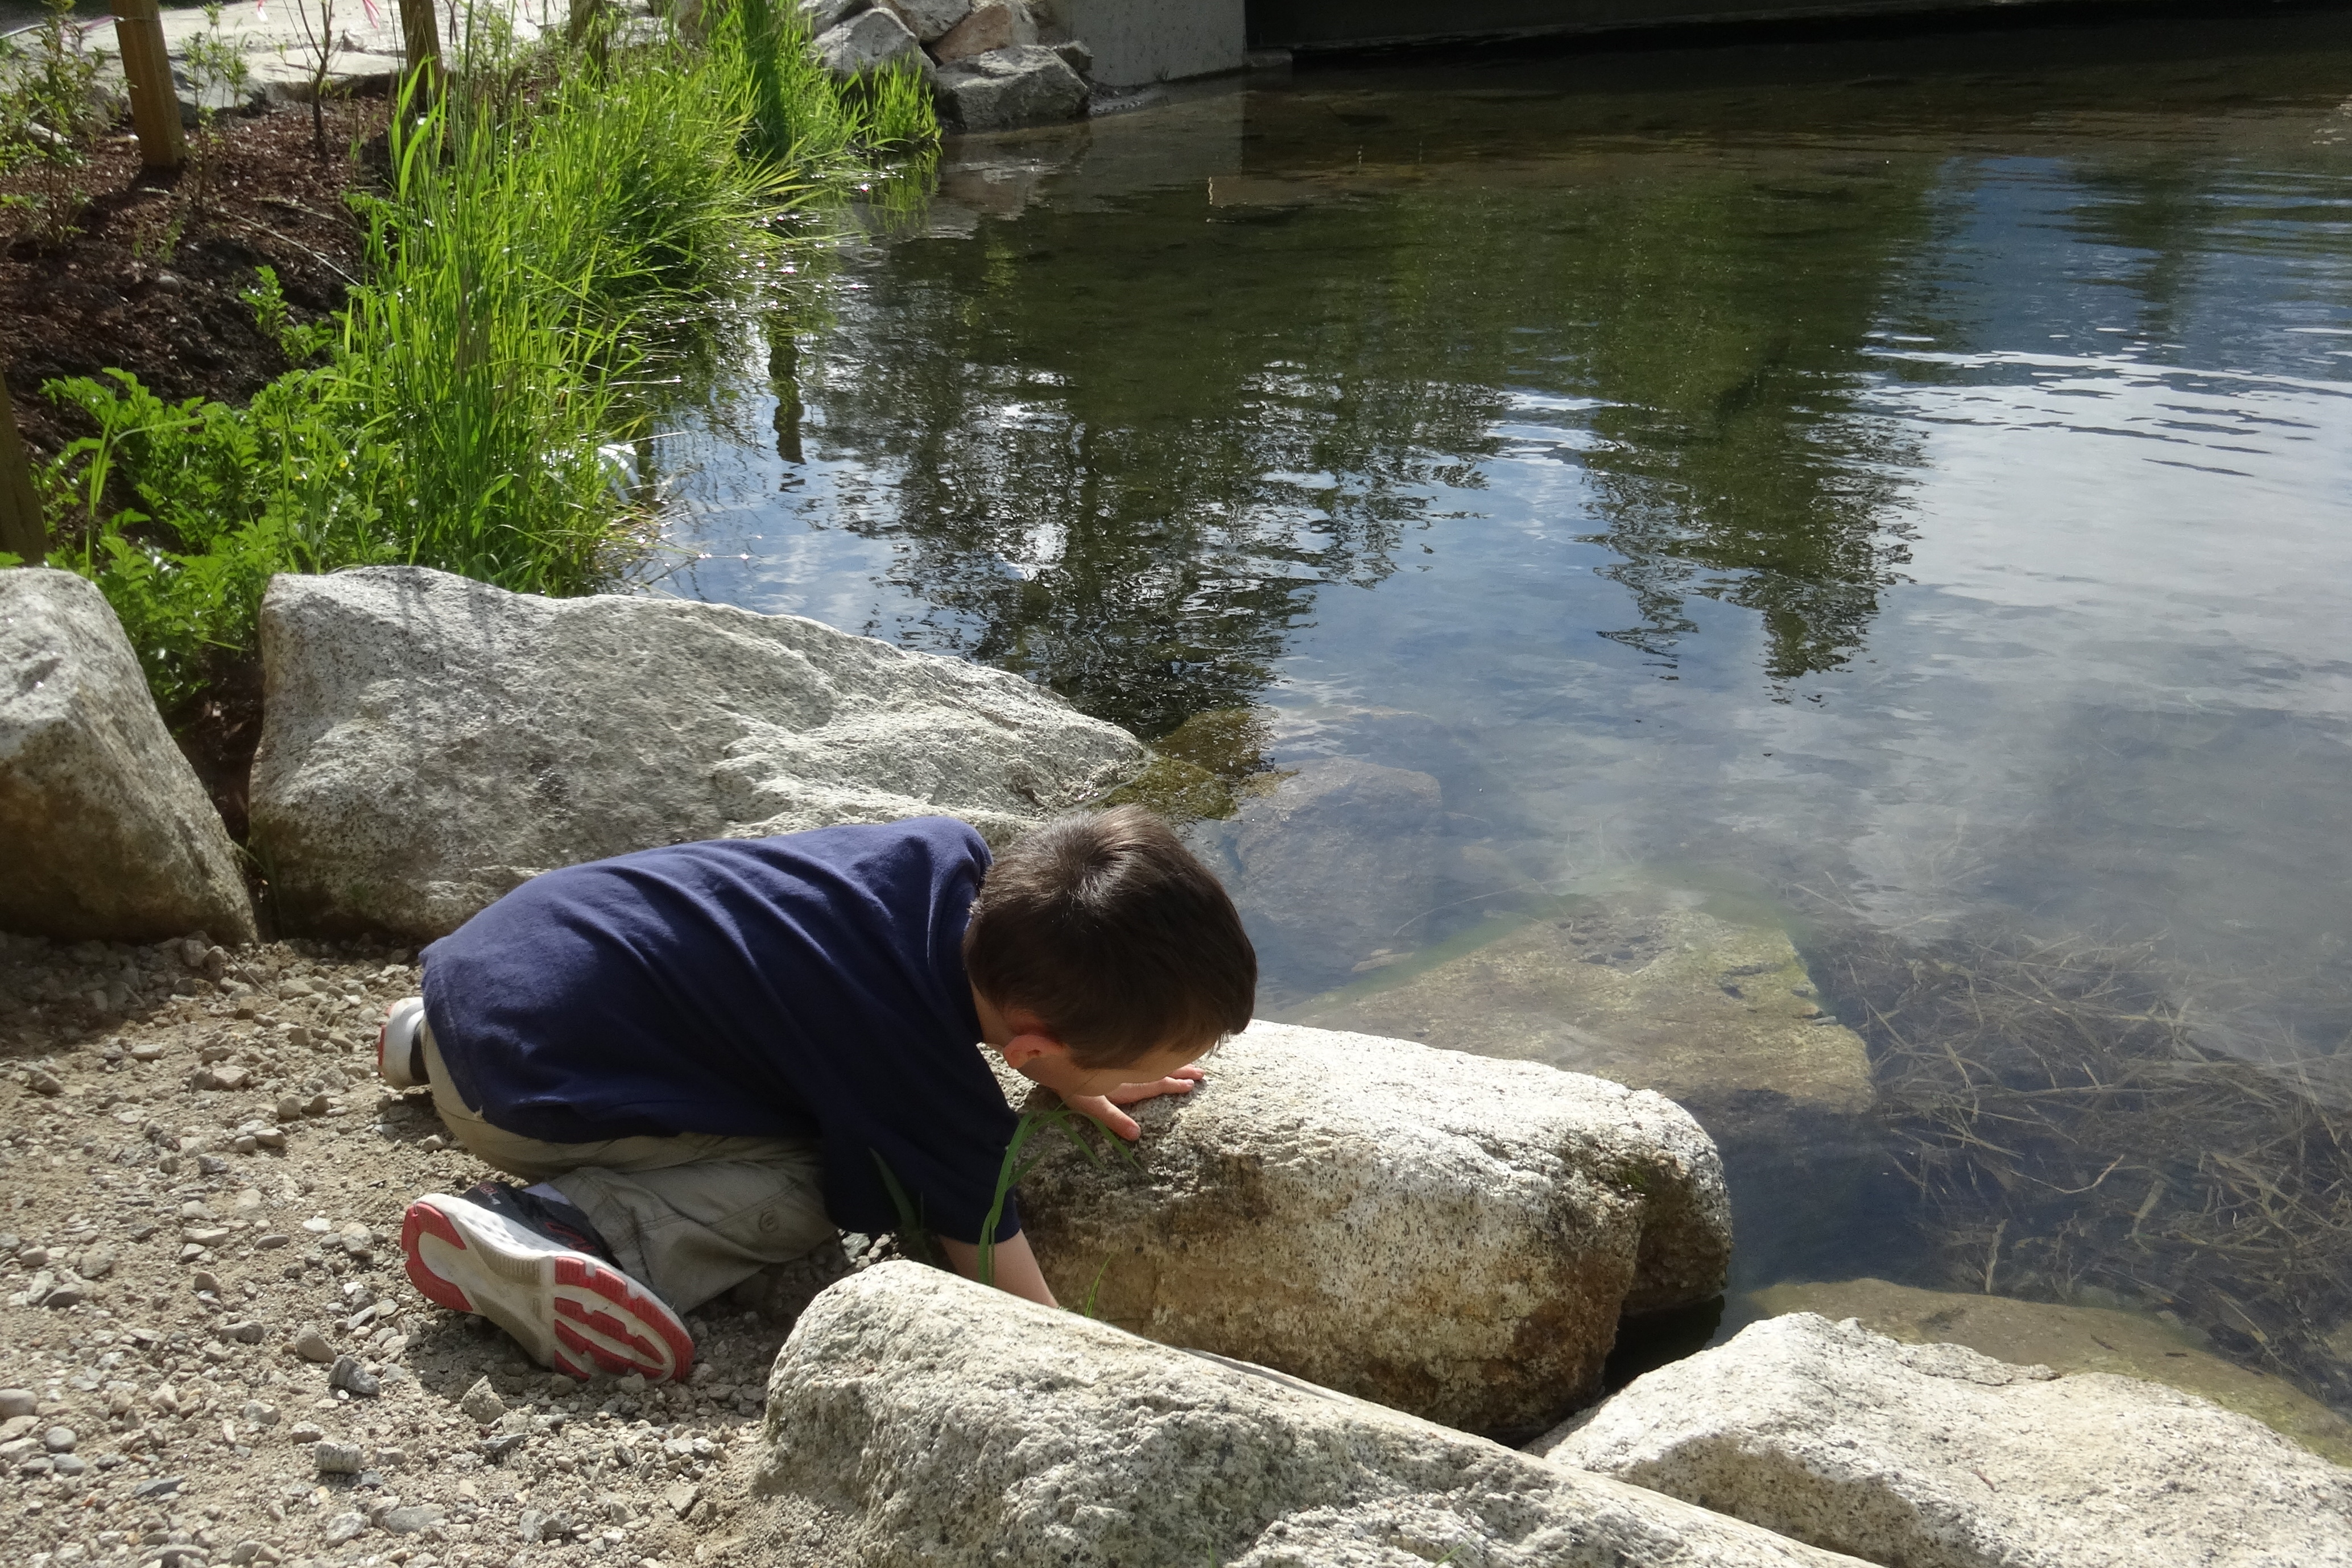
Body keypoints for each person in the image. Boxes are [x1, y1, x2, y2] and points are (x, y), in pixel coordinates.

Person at [378, 806, 1256, 1382]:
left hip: (500, 965)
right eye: (1119, 1066)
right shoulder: (919, 1076)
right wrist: (1099, 1367)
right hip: (521, 1095)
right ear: (1031, 1049)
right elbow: (1015, 1290)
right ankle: (564, 1227)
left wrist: (1078, 1065)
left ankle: (424, 1044)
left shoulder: (944, 859)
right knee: (827, 1178)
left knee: (741, 1018)